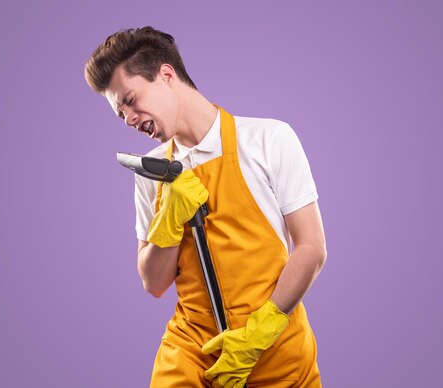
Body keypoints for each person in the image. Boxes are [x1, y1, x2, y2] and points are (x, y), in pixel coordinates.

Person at [84, 26, 327, 388]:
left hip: (273, 348)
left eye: (131, 100)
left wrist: (260, 334)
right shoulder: (151, 172)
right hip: (191, 350)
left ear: (167, 75)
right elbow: (154, 282)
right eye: (120, 114)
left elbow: (311, 249)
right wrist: (169, 218)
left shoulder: (267, 139)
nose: (130, 119)